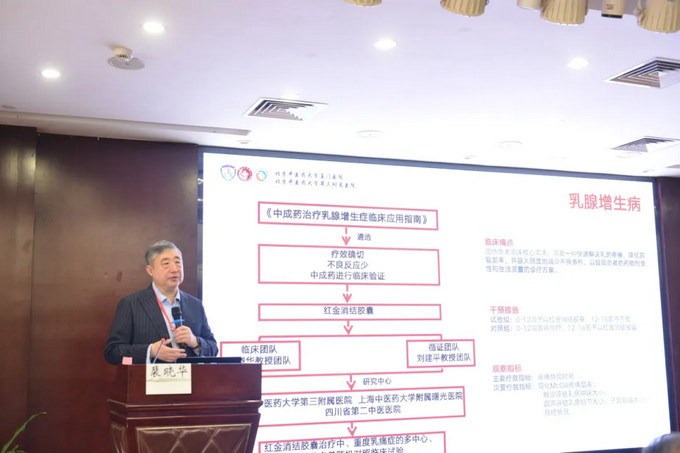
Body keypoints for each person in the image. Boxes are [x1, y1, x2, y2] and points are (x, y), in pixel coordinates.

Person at [104, 240, 217, 364]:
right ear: (150, 270)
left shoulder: (195, 305)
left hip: (190, 376)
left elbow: (213, 348)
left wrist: (195, 342)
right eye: (166, 264)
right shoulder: (131, 304)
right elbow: (113, 352)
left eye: (178, 262)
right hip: (150, 376)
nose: (174, 269)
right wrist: (150, 351)